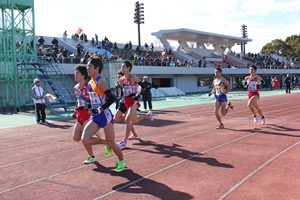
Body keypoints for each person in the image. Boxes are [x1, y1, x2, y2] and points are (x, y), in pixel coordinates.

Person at [82, 55, 127, 172]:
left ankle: (122, 160)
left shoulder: (100, 81)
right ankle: (103, 146)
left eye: (90, 66)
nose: (87, 69)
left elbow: (112, 98)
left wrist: (100, 109)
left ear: (97, 68)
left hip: (105, 115)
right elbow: (94, 101)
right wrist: (90, 107)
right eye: (87, 66)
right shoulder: (90, 82)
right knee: (85, 139)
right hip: (95, 116)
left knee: (112, 142)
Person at [116, 60, 154, 149]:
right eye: (121, 66)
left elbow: (144, 87)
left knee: (127, 119)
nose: (121, 68)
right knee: (134, 121)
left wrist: (138, 96)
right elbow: (122, 91)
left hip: (133, 101)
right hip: (125, 101)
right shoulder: (121, 80)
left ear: (128, 68)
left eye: (123, 66)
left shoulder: (134, 78)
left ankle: (124, 141)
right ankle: (147, 115)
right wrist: (120, 98)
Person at [72, 64, 101, 164]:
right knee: (76, 138)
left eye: (77, 73)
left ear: (83, 74)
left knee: (85, 138)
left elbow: (95, 101)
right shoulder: (75, 88)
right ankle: (105, 141)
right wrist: (75, 110)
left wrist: (86, 107)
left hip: (88, 113)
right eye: (74, 73)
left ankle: (91, 156)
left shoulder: (89, 86)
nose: (75, 75)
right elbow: (78, 100)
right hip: (80, 114)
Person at [114, 70, 138, 140]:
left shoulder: (126, 83)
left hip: (127, 102)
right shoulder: (117, 84)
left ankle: (129, 137)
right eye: (117, 76)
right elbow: (118, 93)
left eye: (120, 76)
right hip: (120, 102)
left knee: (128, 120)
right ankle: (134, 133)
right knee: (116, 119)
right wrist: (117, 100)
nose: (118, 78)